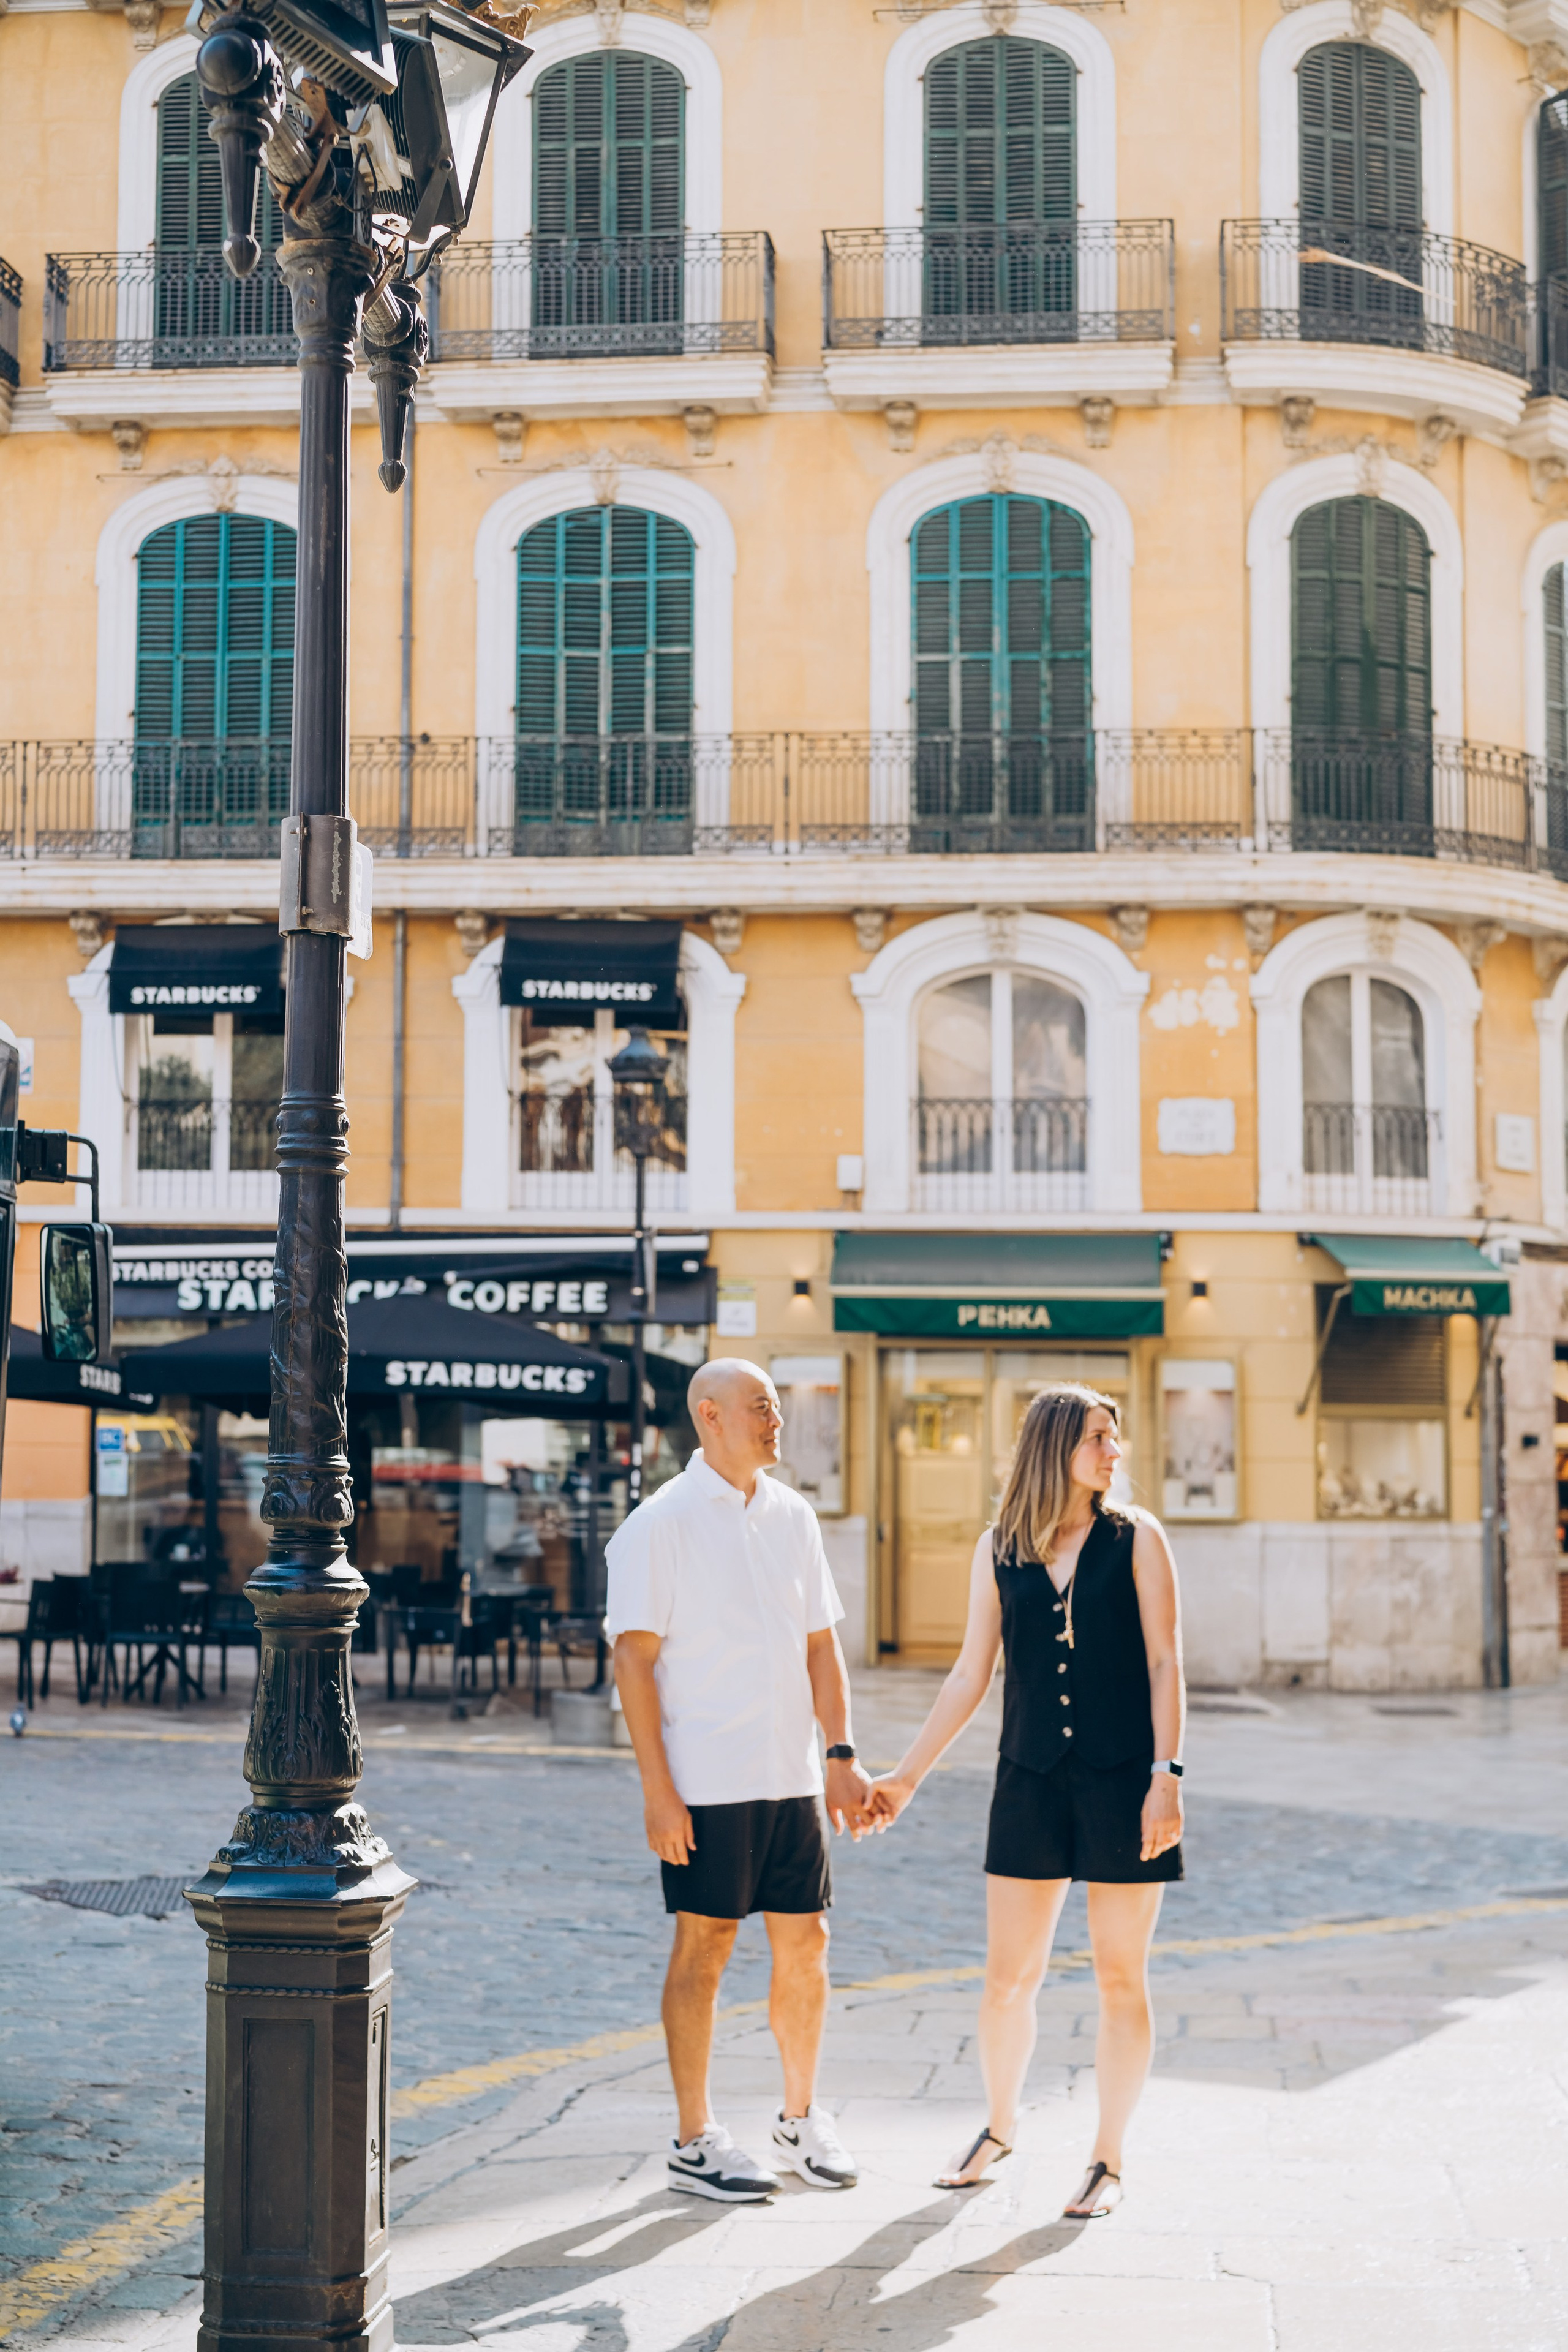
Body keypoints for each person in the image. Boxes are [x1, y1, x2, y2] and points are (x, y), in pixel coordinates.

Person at [868, 1383, 1185, 2219]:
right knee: (1009, 1979)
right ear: (1055, 1449)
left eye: (1116, 1439)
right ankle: (1000, 2127)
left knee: (1121, 1976)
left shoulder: (1139, 1538)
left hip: (1125, 1782)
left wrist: (1168, 1776)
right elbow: (971, 1674)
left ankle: (1108, 2158)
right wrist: (905, 1775)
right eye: (1097, 1439)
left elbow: (1164, 1663)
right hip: (1030, 1782)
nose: (1115, 1453)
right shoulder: (999, 1547)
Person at [608, 1356, 878, 2204]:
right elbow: (634, 1662)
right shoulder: (660, 1523)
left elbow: (820, 1647)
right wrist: (658, 1791)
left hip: (789, 1775)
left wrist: (839, 1755)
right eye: (761, 1407)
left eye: (776, 1407)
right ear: (709, 1417)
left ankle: (800, 2120)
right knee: (706, 1946)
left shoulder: (794, 1516)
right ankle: (695, 2138)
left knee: (809, 1943)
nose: (777, 1421)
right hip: (707, 1779)